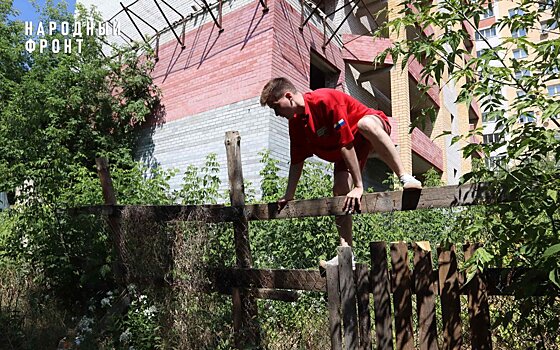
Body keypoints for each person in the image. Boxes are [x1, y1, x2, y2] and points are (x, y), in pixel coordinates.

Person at [260, 77, 422, 266]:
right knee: (339, 192)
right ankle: (347, 255)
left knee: (365, 125)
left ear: (288, 96)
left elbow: (346, 143)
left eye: (276, 106)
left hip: (368, 125)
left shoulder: (324, 100)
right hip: (347, 149)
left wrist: (359, 186)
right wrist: (289, 195)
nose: (277, 113)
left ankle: (405, 177)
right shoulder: (295, 123)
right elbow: (297, 160)